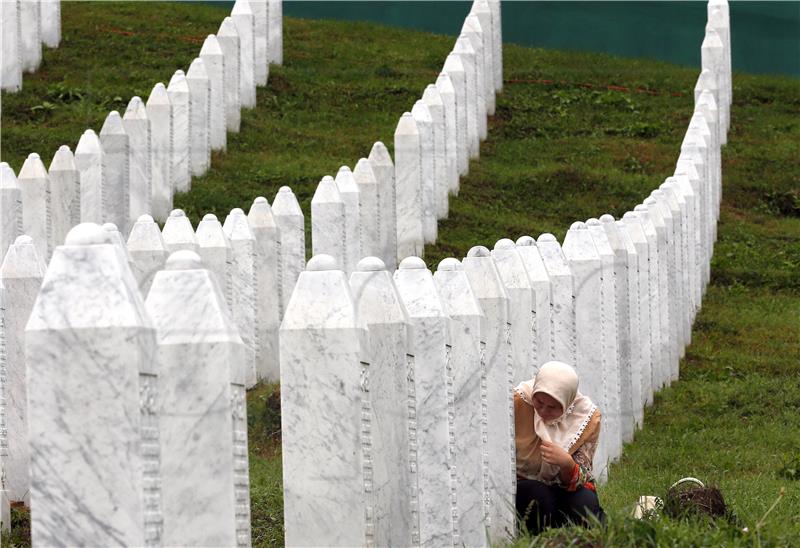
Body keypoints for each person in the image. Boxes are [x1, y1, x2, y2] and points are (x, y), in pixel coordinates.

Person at [514, 361, 605, 535]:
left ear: (567, 403)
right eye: (539, 402)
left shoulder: (586, 418)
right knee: (539, 497)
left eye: (553, 407)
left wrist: (566, 464)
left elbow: (583, 473)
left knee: (585, 504)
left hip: (565, 486)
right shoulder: (519, 401)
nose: (543, 411)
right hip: (524, 484)